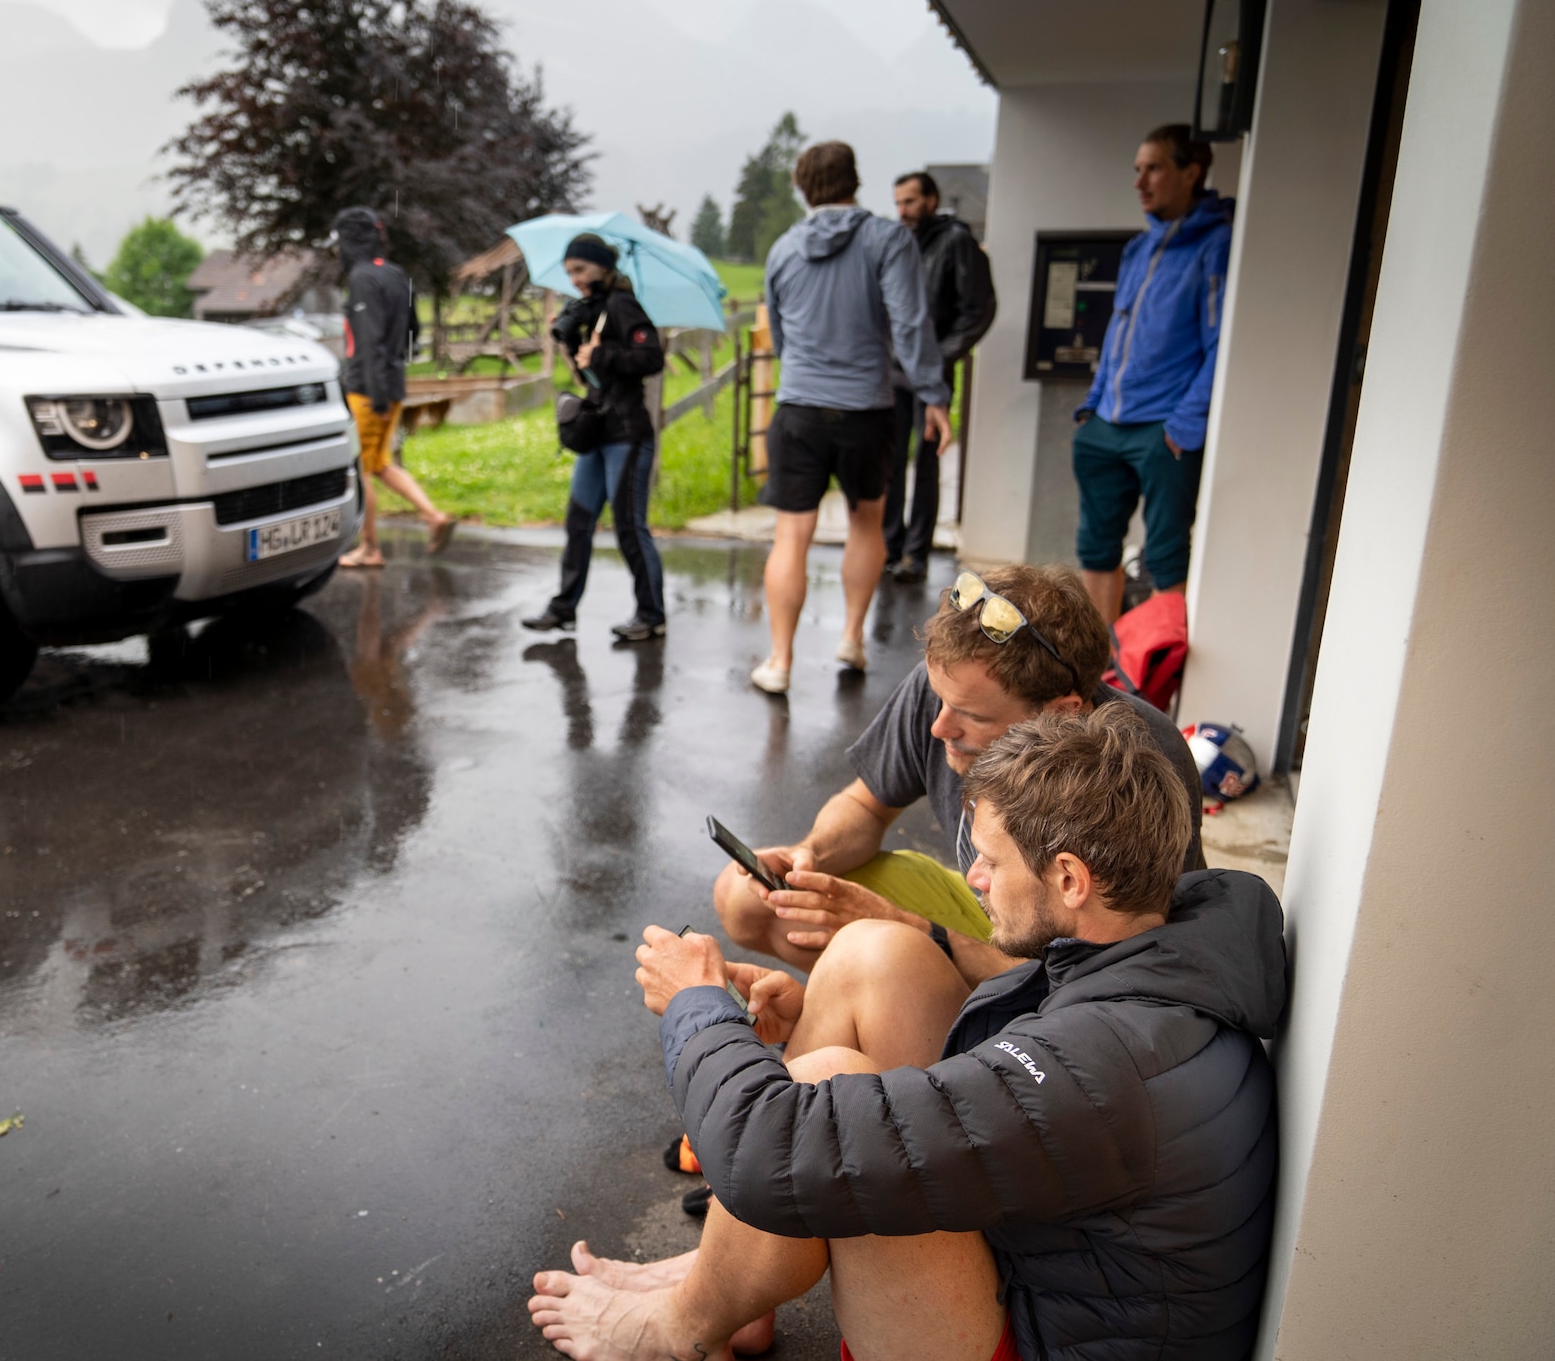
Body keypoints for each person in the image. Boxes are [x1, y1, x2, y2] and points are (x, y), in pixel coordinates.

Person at [528, 704, 1285, 1361]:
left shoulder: (1102, 1068)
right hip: (1051, 1268)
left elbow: (772, 1147)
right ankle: (734, 1287)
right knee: (871, 958)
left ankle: (683, 1326)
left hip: (1041, 1335)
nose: (976, 880)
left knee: (817, 1091)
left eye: (990, 861)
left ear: (1069, 879)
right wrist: (795, 1002)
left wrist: (699, 1002)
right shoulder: (1158, 942)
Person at [715, 563, 1203, 982]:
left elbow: (1104, 991)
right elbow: (867, 804)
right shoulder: (955, 686)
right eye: (940, 698)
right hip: (986, 916)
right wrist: (810, 853)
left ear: (1063, 712)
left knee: (880, 968)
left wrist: (914, 934)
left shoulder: (1129, 773)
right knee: (747, 897)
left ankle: (920, 1035)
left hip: (1069, 975)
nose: (939, 725)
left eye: (975, 716)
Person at [750, 141, 948, 696]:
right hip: (867, 410)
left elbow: (783, 336)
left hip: (799, 410)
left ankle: (780, 662)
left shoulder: (783, 249)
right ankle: (851, 638)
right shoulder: (888, 238)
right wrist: (934, 394)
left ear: (802, 188)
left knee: (791, 535)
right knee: (866, 524)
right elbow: (910, 323)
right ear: (854, 181)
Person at [1074, 125, 1233, 623]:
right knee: (1095, 550)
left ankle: (1163, 688)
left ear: (1192, 172)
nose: (1140, 181)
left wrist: (1183, 427)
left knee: (1165, 558)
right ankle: (1096, 674)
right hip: (1106, 424)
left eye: (1154, 168)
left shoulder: (1218, 244)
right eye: (1137, 170)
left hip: (1163, 430)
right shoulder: (1137, 249)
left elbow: (1220, 345)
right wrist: (1092, 407)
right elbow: (1117, 334)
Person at [521, 234, 669, 643]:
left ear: (603, 266)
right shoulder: (594, 311)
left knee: (629, 527)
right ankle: (563, 609)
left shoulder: (623, 305)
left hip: (628, 435)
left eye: (581, 270)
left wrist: (601, 355)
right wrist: (573, 344)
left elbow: (652, 358)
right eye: (570, 273)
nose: (576, 279)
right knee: (578, 523)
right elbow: (591, 378)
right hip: (598, 434)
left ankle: (652, 614)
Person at [884, 171, 996, 584]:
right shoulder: (899, 242)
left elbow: (978, 310)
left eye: (910, 201)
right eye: (898, 203)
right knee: (890, 463)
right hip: (893, 372)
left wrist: (939, 356)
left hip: (932, 372)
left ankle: (916, 552)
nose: (903, 210)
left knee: (926, 461)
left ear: (931, 199)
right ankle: (889, 545)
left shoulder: (956, 242)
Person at [332, 206, 455, 570]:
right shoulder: (396, 274)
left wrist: (377, 393)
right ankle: (434, 516)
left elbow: (369, 341)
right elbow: (413, 329)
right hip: (394, 383)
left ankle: (370, 548)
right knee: (381, 463)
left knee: (362, 471)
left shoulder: (361, 278)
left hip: (369, 391)